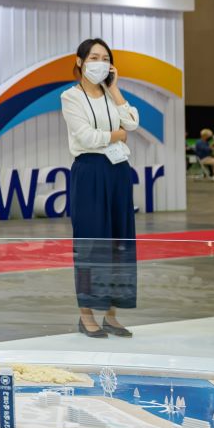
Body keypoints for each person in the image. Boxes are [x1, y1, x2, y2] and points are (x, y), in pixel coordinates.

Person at [61, 39, 140, 339]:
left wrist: (115, 89)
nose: (100, 63)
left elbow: (132, 123)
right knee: (91, 243)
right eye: (94, 57)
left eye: (106, 58)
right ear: (80, 61)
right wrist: (116, 135)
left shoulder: (110, 94)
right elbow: (86, 137)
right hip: (90, 172)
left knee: (120, 241)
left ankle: (112, 314)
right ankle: (86, 315)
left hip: (118, 170)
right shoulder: (71, 97)